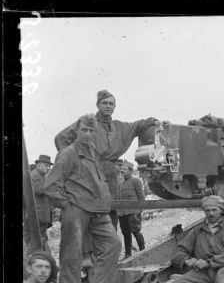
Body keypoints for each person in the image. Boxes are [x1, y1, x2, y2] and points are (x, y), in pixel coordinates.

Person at [45, 113, 122, 283]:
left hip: (98, 210)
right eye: (84, 130)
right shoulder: (68, 153)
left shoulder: (93, 153)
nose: (88, 134)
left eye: (91, 131)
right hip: (78, 210)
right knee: (72, 255)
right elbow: (51, 186)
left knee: (112, 245)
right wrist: (67, 206)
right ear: (76, 131)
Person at [54, 89, 160, 229]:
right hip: (91, 173)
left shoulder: (120, 127)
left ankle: (109, 247)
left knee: (111, 212)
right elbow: (61, 139)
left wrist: (154, 121)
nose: (108, 106)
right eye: (104, 103)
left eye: (111, 103)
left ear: (115, 107)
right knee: (90, 211)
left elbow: (138, 125)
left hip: (110, 176)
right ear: (98, 105)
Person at [24, 154, 55, 252]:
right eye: (46, 165)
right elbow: (39, 190)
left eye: (49, 166)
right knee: (35, 241)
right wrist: (50, 180)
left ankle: (40, 258)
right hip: (37, 216)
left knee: (40, 240)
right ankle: (31, 260)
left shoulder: (41, 176)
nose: (48, 168)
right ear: (39, 165)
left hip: (41, 215)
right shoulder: (35, 175)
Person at [117, 161, 146, 258]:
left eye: (124, 169)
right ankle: (128, 255)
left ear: (130, 171)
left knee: (136, 231)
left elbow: (141, 197)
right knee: (126, 234)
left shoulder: (136, 181)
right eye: (121, 169)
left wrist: (140, 211)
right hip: (122, 213)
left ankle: (144, 252)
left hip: (133, 212)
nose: (122, 171)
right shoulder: (120, 183)